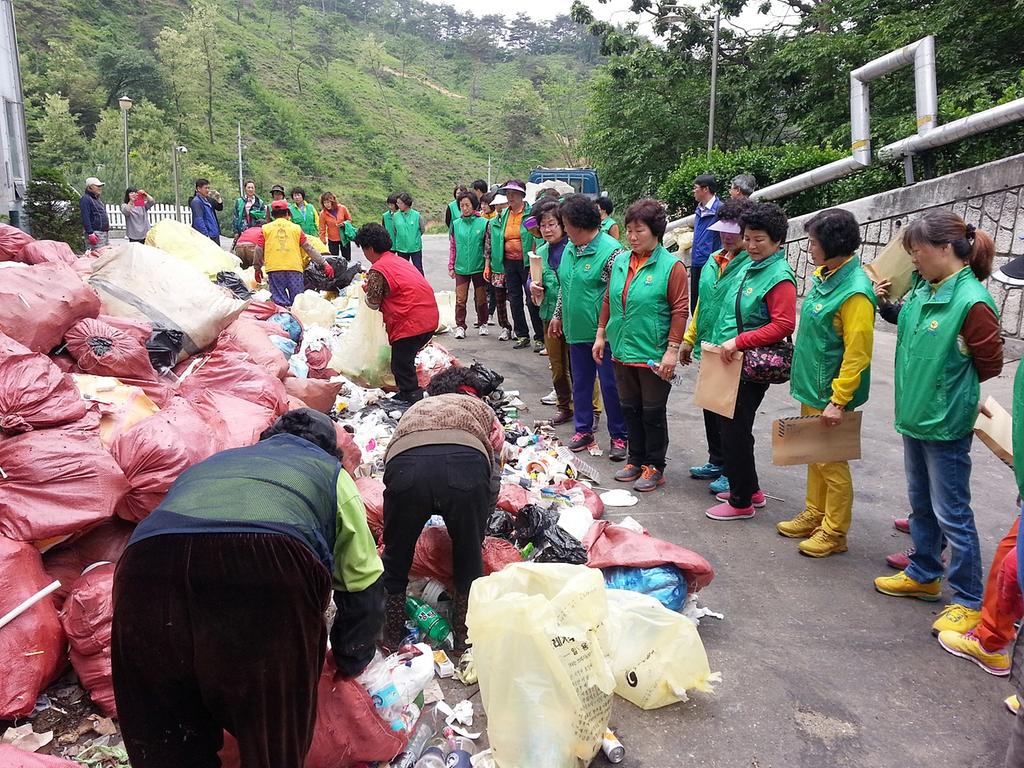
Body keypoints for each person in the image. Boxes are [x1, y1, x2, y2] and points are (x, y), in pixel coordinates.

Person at [111, 409, 385, 768]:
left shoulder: (216, 462)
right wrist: (351, 657)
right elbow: (362, 581)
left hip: (143, 564)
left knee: (166, 728)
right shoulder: (330, 473)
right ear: (328, 452)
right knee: (272, 727)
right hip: (265, 562)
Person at [874, 210, 1003, 636]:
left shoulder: (972, 302)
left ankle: (967, 598)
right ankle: (924, 573)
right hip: (914, 415)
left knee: (953, 513)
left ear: (945, 249)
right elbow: (905, 321)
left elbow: (990, 365)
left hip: (946, 422)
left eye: (918, 251)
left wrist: (951, 389)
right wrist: (884, 303)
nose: (913, 259)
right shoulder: (924, 290)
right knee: (921, 505)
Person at [381, 366, 505, 652]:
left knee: (396, 556)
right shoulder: (480, 409)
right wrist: (480, 522)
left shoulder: (418, 406)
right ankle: (464, 637)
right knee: (467, 554)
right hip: (466, 464)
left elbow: (390, 457)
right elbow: (495, 468)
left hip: (406, 466)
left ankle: (391, 634)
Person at [779, 208, 876, 556]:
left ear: (832, 244)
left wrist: (839, 399)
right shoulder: (829, 277)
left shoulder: (854, 292)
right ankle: (815, 513)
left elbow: (857, 353)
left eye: (813, 242)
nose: (809, 248)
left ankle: (834, 532)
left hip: (829, 393)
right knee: (813, 454)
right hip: (811, 386)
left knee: (832, 464)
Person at [705, 202, 796, 521]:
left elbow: (783, 324)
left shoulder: (779, 275)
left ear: (778, 242)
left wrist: (739, 341)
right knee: (730, 425)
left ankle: (742, 501)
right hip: (731, 359)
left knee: (735, 429)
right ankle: (751, 489)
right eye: (748, 237)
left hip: (751, 362)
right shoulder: (752, 266)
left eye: (760, 240)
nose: (752, 245)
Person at [594, 198, 688, 492]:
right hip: (622, 347)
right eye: (629, 231)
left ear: (656, 231)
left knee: (652, 411)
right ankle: (635, 459)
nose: (633, 237)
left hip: (653, 352)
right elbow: (609, 297)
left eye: (640, 231)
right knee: (629, 407)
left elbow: (680, 309)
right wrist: (601, 333)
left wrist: (672, 349)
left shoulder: (672, 267)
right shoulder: (621, 260)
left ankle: (655, 465)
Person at [550, 193, 629, 461]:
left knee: (610, 386)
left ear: (579, 223)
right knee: (581, 383)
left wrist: (603, 330)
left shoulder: (612, 252)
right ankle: (583, 430)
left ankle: (620, 436)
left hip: (602, 335)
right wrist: (558, 314)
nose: (563, 229)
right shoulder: (571, 248)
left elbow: (616, 295)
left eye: (565, 223)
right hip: (576, 330)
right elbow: (565, 284)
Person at [680, 198, 752, 489]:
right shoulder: (713, 260)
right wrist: (689, 338)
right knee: (711, 406)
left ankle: (733, 471)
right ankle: (717, 459)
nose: (726, 236)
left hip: (733, 350)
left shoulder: (751, 265)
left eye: (734, 231)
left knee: (730, 414)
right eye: (723, 230)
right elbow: (702, 304)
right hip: (708, 346)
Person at [529, 199, 600, 426]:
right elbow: (532, 278)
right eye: (543, 226)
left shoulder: (573, 249)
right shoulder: (539, 252)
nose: (547, 230)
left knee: (580, 365)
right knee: (558, 367)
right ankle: (564, 406)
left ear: (563, 225)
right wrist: (532, 285)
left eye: (552, 224)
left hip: (574, 317)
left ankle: (593, 410)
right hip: (548, 315)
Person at [354, 223, 439, 403]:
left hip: (411, 322)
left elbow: (373, 303)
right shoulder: (398, 260)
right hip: (429, 318)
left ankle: (412, 398)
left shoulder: (378, 269)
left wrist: (366, 291)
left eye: (363, 249)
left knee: (401, 364)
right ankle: (408, 393)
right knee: (404, 360)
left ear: (369, 248)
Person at [490, 180, 543, 350]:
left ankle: (540, 337)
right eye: (507, 193)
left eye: (513, 193)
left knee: (531, 299)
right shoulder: (504, 214)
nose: (509, 197)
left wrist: (535, 257)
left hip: (526, 262)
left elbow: (537, 237)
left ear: (522, 195)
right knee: (514, 299)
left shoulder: (530, 214)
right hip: (508, 262)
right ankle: (522, 335)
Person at [253, 199, 333, 306]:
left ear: (273, 215)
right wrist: (325, 264)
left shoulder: (265, 229)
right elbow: (309, 248)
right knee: (297, 302)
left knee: (280, 302)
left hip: (275, 270)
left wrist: (257, 268)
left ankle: (284, 319)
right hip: (294, 269)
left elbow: (258, 249)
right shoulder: (296, 229)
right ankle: (296, 318)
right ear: (287, 213)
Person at [449, 191, 488, 339]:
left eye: (467, 205)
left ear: (474, 205)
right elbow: (453, 246)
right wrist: (451, 266)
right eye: (461, 206)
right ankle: (460, 326)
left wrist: (487, 266)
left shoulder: (483, 223)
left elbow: (487, 247)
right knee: (460, 299)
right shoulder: (456, 224)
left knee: (481, 298)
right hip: (461, 268)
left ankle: (482, 323)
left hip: (479, 267)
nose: (464, 208)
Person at [690, 174, 722, 309]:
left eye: (695, 188)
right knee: (694, 304)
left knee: (707, 304)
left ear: (705, 189)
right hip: (696, 263)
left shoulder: (720, 210)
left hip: (712, 265)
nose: (693, 191)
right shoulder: (699, 210)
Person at [484, 193, 513, 339]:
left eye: (502, 205)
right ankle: (505, 327)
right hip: (497, 267)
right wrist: (487, 266)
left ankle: (519, 330)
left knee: (514, 299)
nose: (500, 208)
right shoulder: (492, 223)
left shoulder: (512, 222)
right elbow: (488, 246)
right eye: (497, 206)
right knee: (499, 299)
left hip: (513, 265)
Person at [392, 192, 426, 274]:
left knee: (418, 269)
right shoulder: (395, 216)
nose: (397, 205)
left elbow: (422, 229)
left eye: (399, 203)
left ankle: (421, 286)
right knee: (403, 271)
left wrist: (414, 238)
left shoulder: (416, 215)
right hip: (401, 248)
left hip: (415, 248)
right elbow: (395, 231)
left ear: (406, 203)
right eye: (397, 203)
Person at [319, 192, 353, 260]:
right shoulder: (323, 214)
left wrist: (344, 223)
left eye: (328, 202)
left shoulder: (342, 208)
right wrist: (322, 242)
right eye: (325, 202)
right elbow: (322, 229)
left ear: (333, 201)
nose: (327, 204)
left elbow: (349, 219)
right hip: (332, 239)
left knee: (347, 259)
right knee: (334, 259)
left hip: (344, 237)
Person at [80, 176, 110, 248]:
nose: (99, 188)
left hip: (103, 232)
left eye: (100, 186)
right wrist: (90, 233)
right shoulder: (86, 199)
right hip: (95, 232)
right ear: (89, 187)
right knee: (97, 255)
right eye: (97, 186)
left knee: (105, 254)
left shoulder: (97, 199)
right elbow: (85, 217)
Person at [189, 178, 222, 244]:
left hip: (214, 234)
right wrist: (205, 235)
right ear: (198, 189)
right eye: (205, 188)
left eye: (208, 188)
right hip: (208, 236)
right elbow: (199, 220)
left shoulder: (207, 200)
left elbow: (220, 207)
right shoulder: (197, 202)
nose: (208, 190)